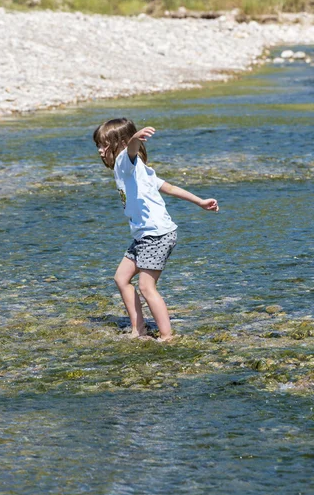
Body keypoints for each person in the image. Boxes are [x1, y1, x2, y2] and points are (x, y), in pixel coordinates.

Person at [93, 117, 219, 342]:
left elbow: (131, 151)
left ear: (119, 143)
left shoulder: (125, 160)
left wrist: (133, 140)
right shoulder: (138, 169)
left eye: (103, 145)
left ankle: (166, 336)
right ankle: (138, 329)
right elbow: (168, 187)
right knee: (121, 278)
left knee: (146, 285)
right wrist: (200, 201)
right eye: (98, 146)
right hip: (145, 235)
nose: (100, 151)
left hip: (157, 234)